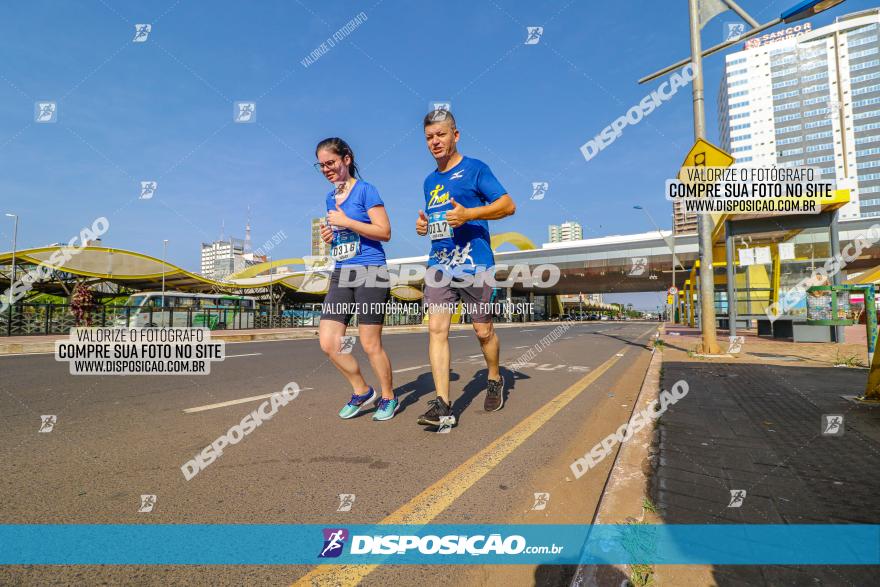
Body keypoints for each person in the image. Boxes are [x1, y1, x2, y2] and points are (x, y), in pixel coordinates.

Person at [414, 110, 516, 427]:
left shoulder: (475, 169)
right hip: (440, 263)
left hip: (476, 263)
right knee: (436, 330)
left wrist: (469, 215)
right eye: (430, 137)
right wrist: (425, 226)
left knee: (483, 331)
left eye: (441, 135)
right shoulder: (430, 181)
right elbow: (440, 221)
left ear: (455, 135)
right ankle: (443, 405)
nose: (435, 141)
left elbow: (508, 205)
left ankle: (495, 377)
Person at [315, 137, 398, 421]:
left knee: (369, 343)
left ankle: (389, 396)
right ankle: (362, 390)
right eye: (321, 165)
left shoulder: (365, 190)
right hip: (342, 271)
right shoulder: (329, 198)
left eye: (331, 163)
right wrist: (331, 237)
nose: (326, 169)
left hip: (371, 271)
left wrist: (347, 223)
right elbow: (343, 238)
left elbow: (384, 231)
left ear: (346, 159)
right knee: (329, 341)